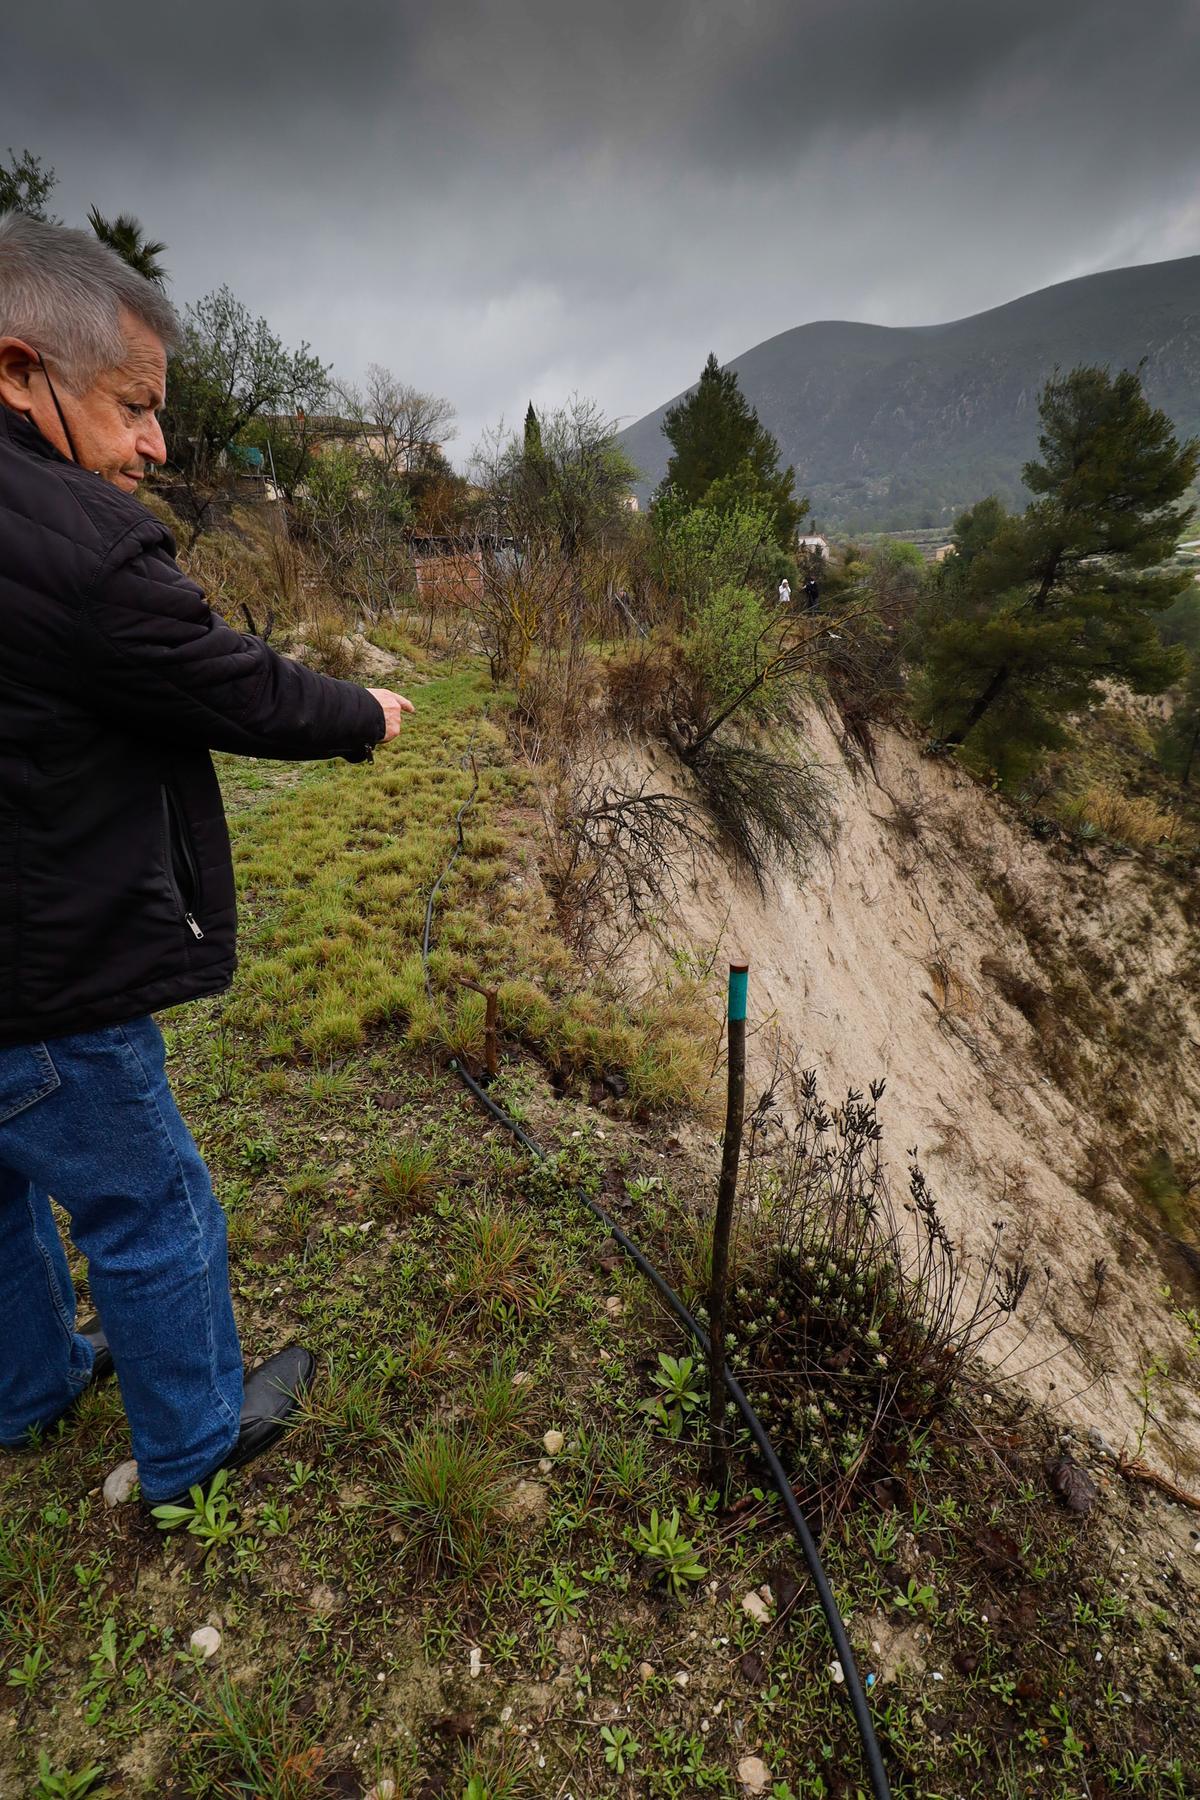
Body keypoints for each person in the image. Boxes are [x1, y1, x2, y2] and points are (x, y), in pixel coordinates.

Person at [0, 213, 414, 1506]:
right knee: (151, 1200)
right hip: (46, 959)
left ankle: (28, 1388)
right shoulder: (77, 546)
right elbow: (230, 685)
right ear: (21, 371)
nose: (157, 444)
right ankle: (191, 1453)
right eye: (132, 407)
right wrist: (363, 712)